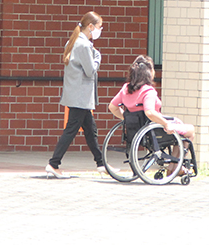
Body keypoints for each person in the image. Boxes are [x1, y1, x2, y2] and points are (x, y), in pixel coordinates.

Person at [46, 11, 106, 178]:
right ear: (91, 27)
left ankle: (101, 163)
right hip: (81, 96)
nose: (99, 31)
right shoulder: (84, 45)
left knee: (90, 130)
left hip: (76, 94)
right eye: (99, 27)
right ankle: (53, 163)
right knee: (71, 130)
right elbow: (90, 70)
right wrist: (97, 58)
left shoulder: (73, 41)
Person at [109, 55, 195, 143]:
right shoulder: (148, 91)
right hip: (156, 129)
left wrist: (128, 119)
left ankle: (176, 155)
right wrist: (166, 123)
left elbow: (112, 107)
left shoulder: (126, 88)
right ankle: (177, 156)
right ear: (149, 72)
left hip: (138, 129)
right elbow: (149, 112)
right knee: (190, 130)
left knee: (177, 123)